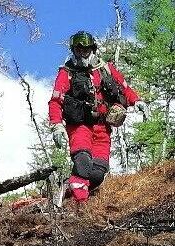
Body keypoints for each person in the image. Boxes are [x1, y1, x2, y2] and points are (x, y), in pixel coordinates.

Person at [48, 31, 147, 204]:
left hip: (103, 129)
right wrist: (56, 125)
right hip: (80, 126)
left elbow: (125, 88)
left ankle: (69, 190)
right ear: (73, 50)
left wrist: (137, 101)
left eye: (86, 49)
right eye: (79, 50)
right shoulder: (67, 73)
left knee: (97, 173)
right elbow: (55, 101)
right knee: (83, 163)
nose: (83, 53)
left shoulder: (105, 69)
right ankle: (83, 210)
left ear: (92, 49)